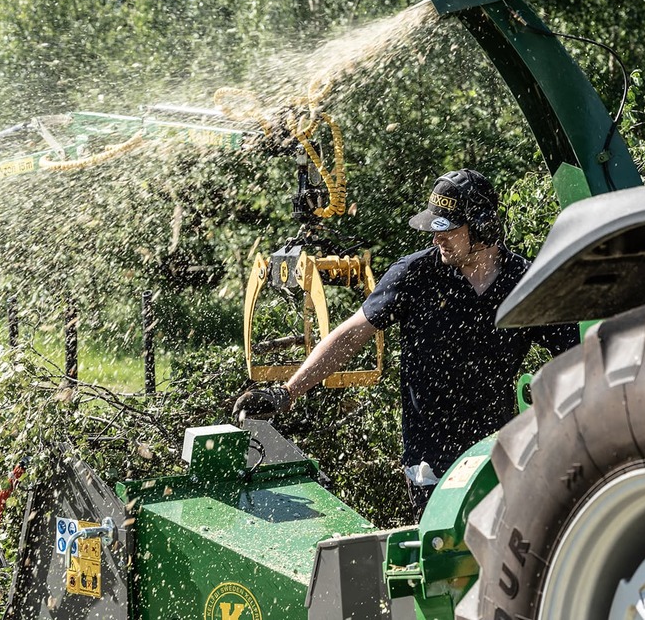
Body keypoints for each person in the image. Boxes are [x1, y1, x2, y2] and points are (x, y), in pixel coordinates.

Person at [233, 169, 579, 520]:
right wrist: (287, 393)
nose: (435, 239)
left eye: (446, 230)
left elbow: (579, 353)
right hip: (431, 465)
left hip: (500, 457)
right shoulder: (415, 275)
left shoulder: (525, 282)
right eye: (432, 229)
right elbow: (349, 335)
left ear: (483, 226)